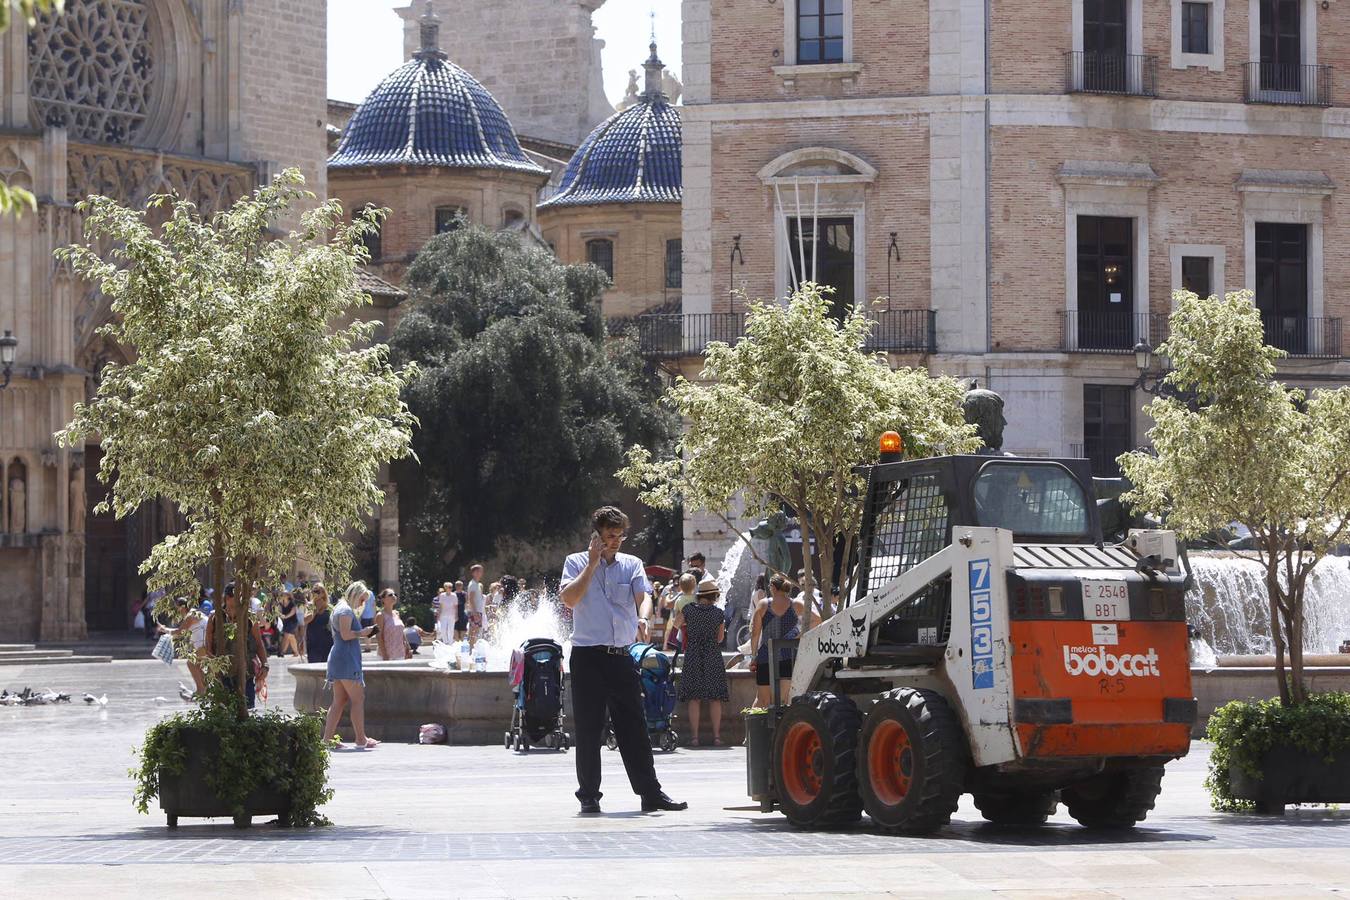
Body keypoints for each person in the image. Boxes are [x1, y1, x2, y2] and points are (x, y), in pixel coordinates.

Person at [560, 505, 686, 815]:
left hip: (621, 656)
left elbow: (642, 598)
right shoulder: (575, 562)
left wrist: (643, 619)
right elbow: (569, 599)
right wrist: (591, 565)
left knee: (635, 726)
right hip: (588, 656)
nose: (615, 541)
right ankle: (589, 795)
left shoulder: (632, 564)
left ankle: (650, 793)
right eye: (609, 536)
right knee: (589, 728)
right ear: (596, 536)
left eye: (619, 536)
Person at [673, 575, 729, 746]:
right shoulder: (718, 613)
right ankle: (717, 737)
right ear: (714, 596)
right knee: (715, 698)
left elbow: (676, 624)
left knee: (694, 698)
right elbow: (720, 639)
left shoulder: (689, 609)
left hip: (694, 654)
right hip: (712, 654)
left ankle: (695, 738)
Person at [323, 581, 380, 750]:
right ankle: (360, 739)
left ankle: (327, 739)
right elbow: (347, 635)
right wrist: (365, 632)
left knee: (339, 700)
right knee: (358, 698)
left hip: (340, 657)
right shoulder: (345, 610)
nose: (362, 604)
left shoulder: (339, 608)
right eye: (362, 600)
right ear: (355, 595)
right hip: (346, 659)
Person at [750, 573, 814, 707]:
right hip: (787, 655)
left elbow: (755, 634)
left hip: (765, 656)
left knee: (762, 700)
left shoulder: (763, 605)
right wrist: (798, 634)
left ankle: (756, 727)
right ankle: (778, 727)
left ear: (773, 587)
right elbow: (817, 620)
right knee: (783, 701)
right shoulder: (796, 604)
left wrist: (753, 656)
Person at [204, 583, 268, 709]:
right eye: (238, 596)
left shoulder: (250, 617)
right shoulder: (215, 617)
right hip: (223, 674)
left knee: (246, 709)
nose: (243, 600)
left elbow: (259, 643)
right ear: (227, 598)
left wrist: (265, 665)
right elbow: (208, 646)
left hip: (246, 672)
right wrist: (214, 666)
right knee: (224, 710)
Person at [158, 597, 208, 697]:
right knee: (196, 665)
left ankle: (201, 690)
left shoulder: (191, 615)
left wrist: (164, 630)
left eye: (178, 608)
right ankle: (205, 689)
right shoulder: (191, 614)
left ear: (183, 607)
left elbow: (180, 632)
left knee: (191, 663)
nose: (177, 611)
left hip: (206, 644)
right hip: (203, 644)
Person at [662, 572, 698, 652]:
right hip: (694, 623)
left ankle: (682, 649)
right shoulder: (696, 598)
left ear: (680, 587)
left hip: (683, 624)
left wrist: (675, 620)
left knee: (684, 638)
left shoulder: (679, 599)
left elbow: (676, 612)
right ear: (694, 586)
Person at [375, 588, 411, 661]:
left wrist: (407, 646)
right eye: (390, 595)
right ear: (383, 599)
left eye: (395, 594)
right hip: (387, 655)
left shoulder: (397, 613)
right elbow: (379, 636)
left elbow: (401, 632)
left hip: (400, 653)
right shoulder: (380, 615)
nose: (394, 596)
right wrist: (384, 654)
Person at [305, 583, 334, 664]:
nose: (316, 593)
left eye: (318, 591)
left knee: (326, 665)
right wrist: (316, 610)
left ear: (324, 593)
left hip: (327, 641)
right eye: (314, 591)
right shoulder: (310, 606)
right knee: (313, 665)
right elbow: (305, 620)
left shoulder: (329, 607)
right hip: (313, 641)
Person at [466, 564, 486, 647]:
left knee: (475, 632)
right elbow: (471, 599)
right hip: (475, 611)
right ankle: (470, 649)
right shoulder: (473, 584)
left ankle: (472, 649)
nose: (480, 573)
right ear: (473, 573)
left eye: (481, 571)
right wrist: (475, 612)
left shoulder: (477, 584)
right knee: (473, 632)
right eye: (478, 571)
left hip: (478, 611)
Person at [277, 590, 300, 657]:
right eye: (282, 595)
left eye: (284, 595)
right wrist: (280, 614)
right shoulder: (281, 603)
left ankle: (282, 652)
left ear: (288, 596)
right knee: (291, 637)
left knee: (286, 635)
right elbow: (278, 610)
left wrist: (285, 616)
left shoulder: (292, 603)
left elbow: (293, 612)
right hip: (286, 621)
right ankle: (296, 652)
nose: (282, 596)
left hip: (293, 621)